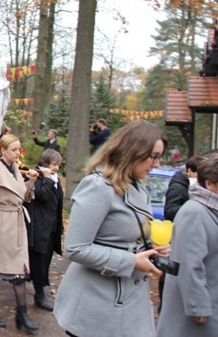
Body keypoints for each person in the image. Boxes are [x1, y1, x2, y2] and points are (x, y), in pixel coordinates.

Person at [54, 120, 171, 337]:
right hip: (98, 305)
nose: (157, 164)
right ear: (132, 151)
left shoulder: (139, 186)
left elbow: (129, 238)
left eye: (159, 157)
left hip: (131, 301)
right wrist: (131, 261)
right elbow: (75, 248)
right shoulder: (98, 187)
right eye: (153, 156)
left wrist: (153, 248)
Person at [0, 134, 39, 332]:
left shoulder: (14, 169)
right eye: (14, 149)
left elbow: (22, 197)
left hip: (17, 224)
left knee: (19, 271)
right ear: (2, 150)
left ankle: (22, 315)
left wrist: (30, 183)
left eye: (19, 149)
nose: (18, 153)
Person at [157, 155, 218, 337]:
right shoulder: (195, 212)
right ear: (209, 184)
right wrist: (198, 307)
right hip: (199, 312)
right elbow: (190, 263)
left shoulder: (209, 210)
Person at [24, 149, 63, 311]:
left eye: (58, 165)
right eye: (54, 165)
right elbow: (42, 195)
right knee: (38, 260)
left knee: (46, 259)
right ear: (45, 163)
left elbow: (57, 202)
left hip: (52, 227)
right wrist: (46, 177)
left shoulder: (55, 179)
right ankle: (39, 294)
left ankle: (38, 287)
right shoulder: (36, 176)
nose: (56, 168)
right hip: (39, 227)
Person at [164, 155, 201, 220]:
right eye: (199, 173)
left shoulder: (193, 184)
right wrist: (191, 207)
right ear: (189, 171)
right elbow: (169, 212)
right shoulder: (177, 187)